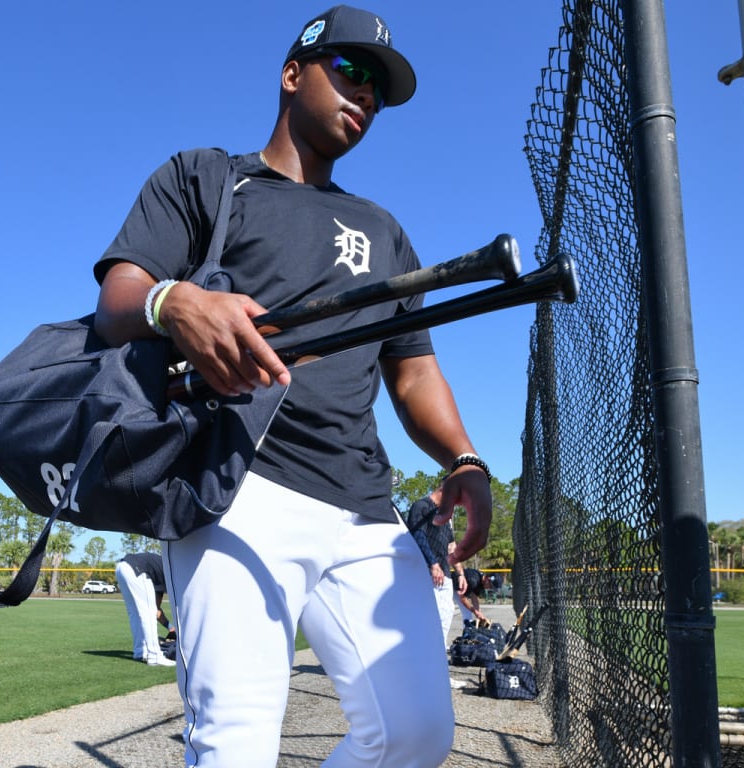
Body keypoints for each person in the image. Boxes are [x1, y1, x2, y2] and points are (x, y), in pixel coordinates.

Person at [92, 7, 493, 766]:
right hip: (237, 488)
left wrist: (464, 462)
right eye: (351, 71)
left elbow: (411, 369)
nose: (367, 94)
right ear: (291, 73)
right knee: (235, 748)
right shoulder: (208, 177)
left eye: (379, 88)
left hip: (366, 508)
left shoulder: (382, 228)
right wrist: (174, 303)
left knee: (415, 733)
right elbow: (119, 300)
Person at [408, 487, 457, 649]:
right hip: (428, 572)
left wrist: (461, 573)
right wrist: (432, 564)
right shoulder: (422, 506)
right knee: (429, 620)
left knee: (446, 615)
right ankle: (422, 661)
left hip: (445, 573)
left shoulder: (444, 515)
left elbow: (451, 546)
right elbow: (418, 535)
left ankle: (438, 662)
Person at [114, 552, 175, 667]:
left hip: (121, 567)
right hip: (137, 569)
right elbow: (156, 612)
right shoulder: (172, 577)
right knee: (148, 613)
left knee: (135, 613)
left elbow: (157, 610)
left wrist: (170, 627)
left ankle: (139, 652)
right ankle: (155, 656)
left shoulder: (168, 570)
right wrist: (172, 628)